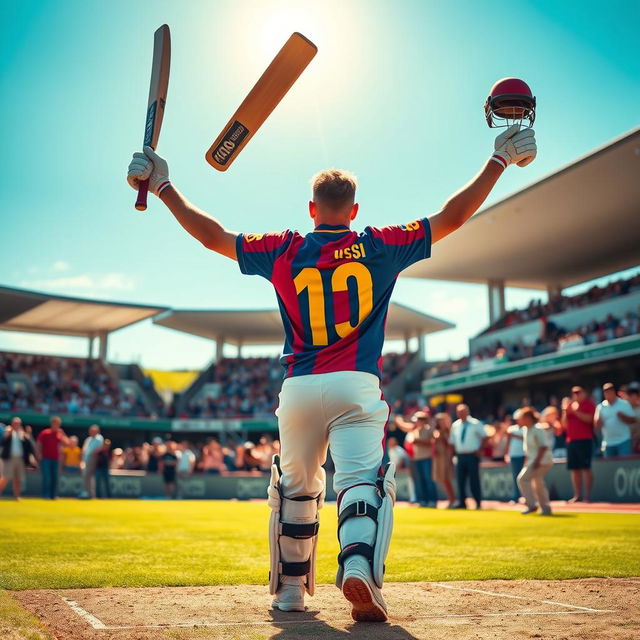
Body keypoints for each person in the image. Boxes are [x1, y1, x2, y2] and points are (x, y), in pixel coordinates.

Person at [127, 119, 537, 621]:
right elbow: (452, 216)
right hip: (357, 384)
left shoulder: (283, 247)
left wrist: (165, 184)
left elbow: (212, 236)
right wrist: (497, 160)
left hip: (298, 386)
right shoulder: (381, 245)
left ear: (312, 209)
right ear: (355, 211)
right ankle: (359, 564)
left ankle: (290, 594)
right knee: (362, 480)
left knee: (296, 488)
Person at [394, 411, 437, 507]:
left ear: (423, 420)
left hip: (427, 458)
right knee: (419, 480)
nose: (416, 422)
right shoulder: (414, 429)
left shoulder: (429, 429)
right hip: (416, 459)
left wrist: (419, 442)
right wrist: (398, 418)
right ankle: (422, 500)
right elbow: (403, 426)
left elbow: (432, 442)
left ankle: (432, 500)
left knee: (428, 479)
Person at [561, 386, 596, 503]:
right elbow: (564, 425)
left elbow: (589, 419)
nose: (576, 395)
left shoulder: (589, 404)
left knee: (586, 468)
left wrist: (575, 412)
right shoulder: (570, 406)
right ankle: (577, 495)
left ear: (584, 393)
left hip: (585, 440)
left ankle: (587, 496)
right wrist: (565, 411)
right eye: (574, 393)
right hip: (571, 441)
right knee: (574, 469)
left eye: (579, 393)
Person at [516, 407, 554, 515]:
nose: (519, 420)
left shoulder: (537, 429)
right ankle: (545, 508)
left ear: (528, 418)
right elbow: (529, 450)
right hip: (535, 461)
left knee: (523, 479)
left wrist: (537, 461)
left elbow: (543, 447)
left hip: (543, 461)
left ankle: (532, 505)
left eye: (521, 417)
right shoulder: (526, 430)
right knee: (537, 483)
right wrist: (528, 462)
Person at [450, 404, 487, 509]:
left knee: (474, 480)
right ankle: (462, 503)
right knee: (460, 481)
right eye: (459, 412)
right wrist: (452, 456)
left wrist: (480, 450)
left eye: (463, 411)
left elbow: (485, 437)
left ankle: (478, 502)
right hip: (460, 455)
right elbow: (452, 442)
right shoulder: (455, 425)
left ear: (468, 411)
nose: (461, 414)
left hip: (472, 455)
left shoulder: (476, 423)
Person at [0, 417, 37, 499]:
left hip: (20, 458)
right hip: (9, 458)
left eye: (18, 423)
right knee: (5, 477)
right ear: (12, 423)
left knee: (18, 478)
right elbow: (3, 442)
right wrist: (10, 432)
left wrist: (28, 434)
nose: (17, 425)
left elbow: (29, 446)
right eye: (15, 423)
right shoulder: (8, 431)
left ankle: (17, 496)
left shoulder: (22, 434)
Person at [595, 382, 635, 457]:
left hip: (624, 441)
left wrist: (623, 417)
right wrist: (598, 421)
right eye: (605, 392)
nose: (607, 394)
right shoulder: (600, 407)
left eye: (609, 391)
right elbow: (596, 426)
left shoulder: (624, 404)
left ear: (614, 392)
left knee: (624, 466)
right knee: (610, 467)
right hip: (608, 443)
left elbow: (633, 420)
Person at [36, 416, 67, 499]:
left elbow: (68, 443)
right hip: (46, 459)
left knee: (55, 478)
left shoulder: (60, 434)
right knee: (47, 478)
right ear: (52, 423)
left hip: (56, 460)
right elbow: (39, 444)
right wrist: (38, 454)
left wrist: (63, 434)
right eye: (55, 423)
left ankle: (53, 495)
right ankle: (45, 495)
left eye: (58, 424)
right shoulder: (45, 433)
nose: (56, 426)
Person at [431, 412, 456, 507]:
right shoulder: (436, 432)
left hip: (446, 457)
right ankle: (451, 499)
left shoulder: (448, 432)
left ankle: (452, 499)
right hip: (438, 458)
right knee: (443, 480)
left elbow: (449, 445)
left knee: (447, 479)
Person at [80, 424, 104, 499]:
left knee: (88, 476)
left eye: (93, 431)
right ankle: (87, 492)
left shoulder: (99, 438)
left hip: (92, 459)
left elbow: (99, 448)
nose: (91, 432)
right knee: (86, 476)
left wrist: (92, 455)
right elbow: (84, 449)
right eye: (90, 431)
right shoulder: (88, 439)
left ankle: (89, 493)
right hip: (86, 459)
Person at [505, 419, 525, 503]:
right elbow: (508, 442)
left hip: (524, 455)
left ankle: (526, 496)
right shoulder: (511, 429)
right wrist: (506, 454)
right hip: (514, 456)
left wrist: (514, 436)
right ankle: (516, 497)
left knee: (525, 477)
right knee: (516, 477)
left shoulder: (526, 429)